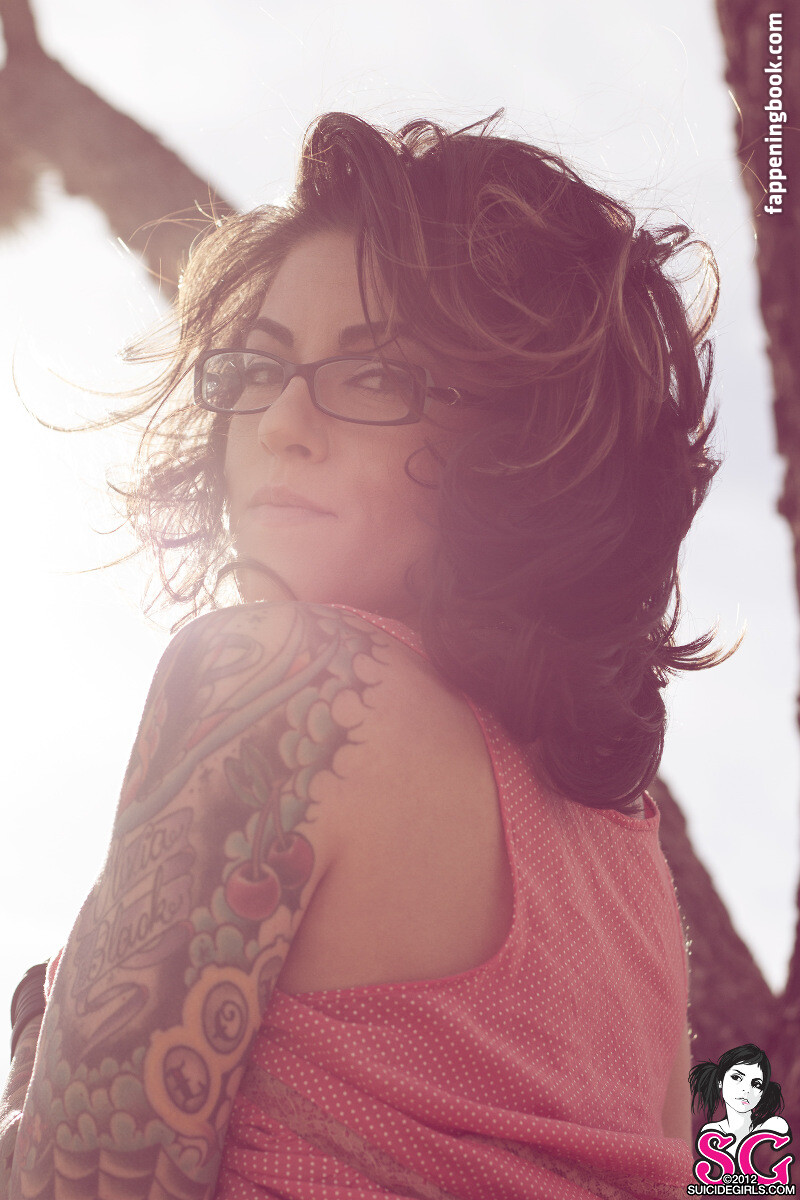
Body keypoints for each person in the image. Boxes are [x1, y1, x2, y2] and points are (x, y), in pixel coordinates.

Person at [3, 109, 730, 1199]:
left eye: (376, 377)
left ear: (519, 443)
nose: (280, 425)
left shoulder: (286, 679)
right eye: (258, 366)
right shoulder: (631, 867)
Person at [689, 1045, 788, 1155]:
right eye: (736, 1077)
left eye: (756, 1084)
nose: (746, 1090)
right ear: (720, 1080)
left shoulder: (774, 1127)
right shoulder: (710, 1133)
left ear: (762, 1093)